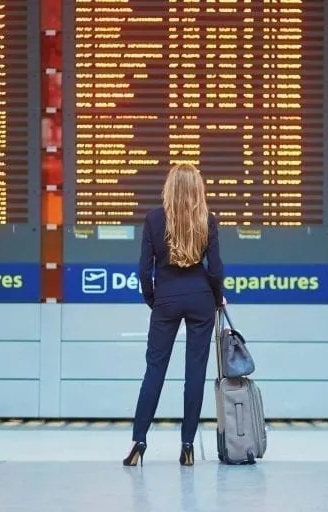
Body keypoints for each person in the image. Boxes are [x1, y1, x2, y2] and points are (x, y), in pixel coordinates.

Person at [122, 162, 225, 467]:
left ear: (169, 187)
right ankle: (188, 446)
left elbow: (143, 270)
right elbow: (216, 270)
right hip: (200, 299)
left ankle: (139, 442)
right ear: (198, 188)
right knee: (194, 374)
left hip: (166, 298)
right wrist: (217, 299)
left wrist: (154, 300)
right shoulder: (208, 219)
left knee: (154, 371)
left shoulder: (153, 219)